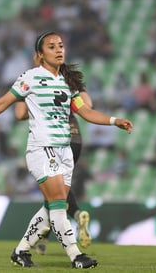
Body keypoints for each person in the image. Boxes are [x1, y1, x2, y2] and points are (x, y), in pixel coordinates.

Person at [0, 31, 133, 268]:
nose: (59, 50)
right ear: (40, 55)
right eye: (52, 47)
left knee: (52, 206)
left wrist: (114, 120)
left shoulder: (68, 83)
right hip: (42, 148)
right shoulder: (30, 78)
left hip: (65, 151)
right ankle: (76, 255)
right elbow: (2, 103)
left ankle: (20, 251)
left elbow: (86, 112)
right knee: (59, 203)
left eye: (61, 45)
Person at [14, 64, 94, 253]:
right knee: (57, 189)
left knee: (53, 191)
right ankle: (45, 237)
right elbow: (88, 106)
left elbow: (19, 114)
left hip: (51, 141)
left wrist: (35, 106)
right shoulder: (68, 80)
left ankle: (52, 232)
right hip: (74, 139)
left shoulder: (31, 82)